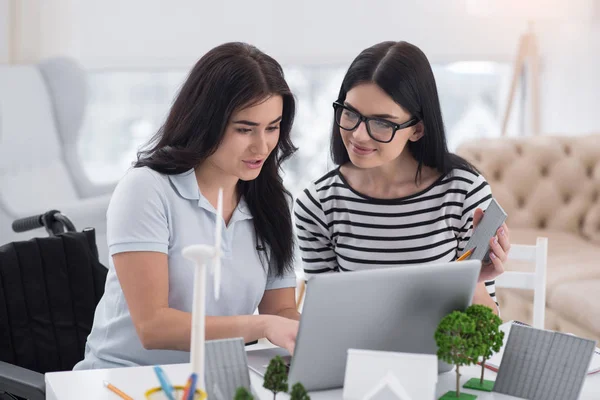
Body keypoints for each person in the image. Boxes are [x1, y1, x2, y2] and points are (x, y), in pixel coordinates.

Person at [75, 42, 300, 370]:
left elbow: (279, 312)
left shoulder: (271, 202)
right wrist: (261, 327)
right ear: (205, 121)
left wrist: (305, 330)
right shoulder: (147, 190)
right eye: (244, 129)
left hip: (217, 377)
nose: (262, 145)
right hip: (124, 378)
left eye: (273, 127)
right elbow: (153, 327)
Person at [294, 41, 510, 313]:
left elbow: (485, 328)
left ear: (417, 129)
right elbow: (324, 316)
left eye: (382, 122)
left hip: (442, 353)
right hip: (356, 354)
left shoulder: (465, 192)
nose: (358, 135)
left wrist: (474, 281)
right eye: (350, 113)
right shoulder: (317, 206)